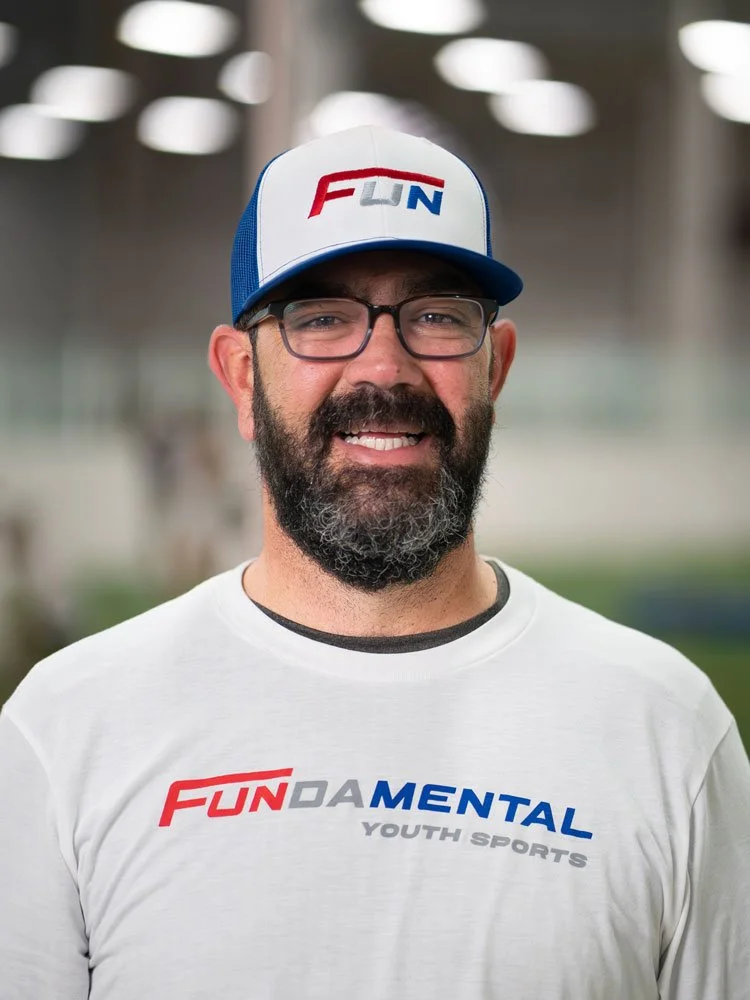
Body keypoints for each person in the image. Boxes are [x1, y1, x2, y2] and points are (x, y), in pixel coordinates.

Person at [0, 126, 748, 1000]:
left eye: (437, 316)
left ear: (495, 369)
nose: (384, 367)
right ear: (242, 379)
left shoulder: (665, 729)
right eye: (322, 319)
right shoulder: (65, 730)